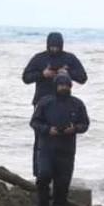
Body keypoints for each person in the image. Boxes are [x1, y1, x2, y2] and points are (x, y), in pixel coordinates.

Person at [22, 32, 87, 176]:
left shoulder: (69, 58)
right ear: (47, 45)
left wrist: (68, 74)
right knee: (40, 138)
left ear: (62, 45)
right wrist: (42, 74)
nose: (54, 50)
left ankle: (60, 174)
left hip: (65, 103)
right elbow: (25, 77)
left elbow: (83, 78)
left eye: (57, 47)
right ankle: (38, 173)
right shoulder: (39, 58)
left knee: (65, 138)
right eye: (52, 47)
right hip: (42, 103)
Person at [30, 73, 90, 206]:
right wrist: (47, 129)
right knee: (43, 176)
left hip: (66, 151)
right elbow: (34, 122)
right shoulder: (45, 102)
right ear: (55, 86)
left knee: (62, 187)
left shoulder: (77, 104)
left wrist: (75, 128)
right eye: (61, 85)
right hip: (47, 148)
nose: (64, 88)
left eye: (67, 85)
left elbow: (85, 124)